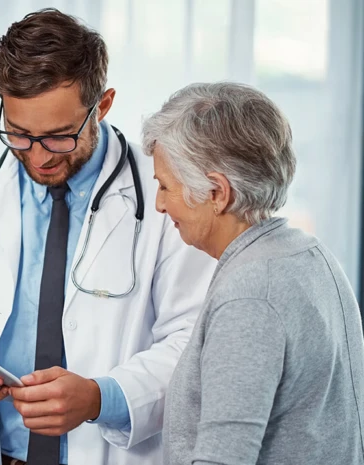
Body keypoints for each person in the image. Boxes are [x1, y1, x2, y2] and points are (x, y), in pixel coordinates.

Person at [0, 8, 216, 465]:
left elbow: (192, 342)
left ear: (104, 105)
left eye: (57, 137)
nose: (37, 157)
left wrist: (100, 398)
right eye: (18, 134)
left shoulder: (165, 198)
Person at [144, 82, 364, 464]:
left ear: (217, 193)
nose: (160, 205)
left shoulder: (252, 291)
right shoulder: (309, 254)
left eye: (165, 187)